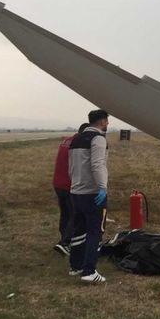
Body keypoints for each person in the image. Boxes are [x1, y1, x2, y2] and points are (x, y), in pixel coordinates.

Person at [68, 109, 110, 283]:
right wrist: (102, 187)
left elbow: (71, 166)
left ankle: (75, 266)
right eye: (107, 121)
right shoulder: (98, 138)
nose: (108, 124)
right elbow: (98, 164)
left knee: (78, 230)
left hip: (76, 191)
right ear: (101, 122)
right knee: (95, 232)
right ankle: (89, 271)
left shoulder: (76, 139)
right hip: (92, 193)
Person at [53, 123, 89, 256]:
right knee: (75, 214)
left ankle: (64, 239)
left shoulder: (66, 141)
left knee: (65, 214)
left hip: (58, 183)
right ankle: (65, 243)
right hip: (70, 185)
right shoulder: (79, 144)